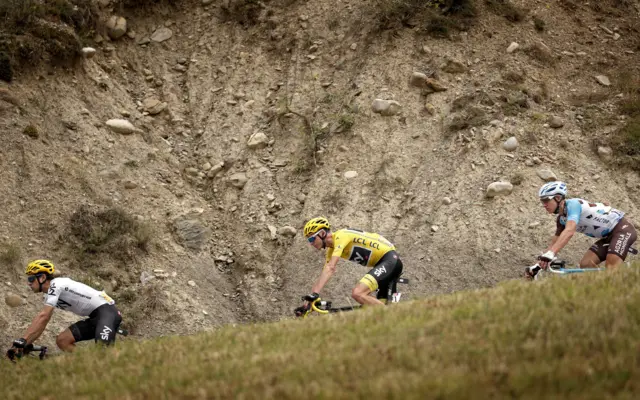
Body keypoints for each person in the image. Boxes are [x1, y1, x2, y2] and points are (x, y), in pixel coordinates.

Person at [527, 181, 637, 279]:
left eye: (546, 200)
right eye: (542, 201)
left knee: (611, 266)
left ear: (558, 198)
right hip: (608, 237)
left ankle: (620, 292)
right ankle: (601, 290)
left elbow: (570, 231)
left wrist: (551, 254)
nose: (544, 205)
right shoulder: (561, 219)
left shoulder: (573, 204)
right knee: (586, 264)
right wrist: (538, 266)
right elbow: (553, 245)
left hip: (622, 230)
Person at [295, 217, 404, 315]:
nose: (311, 243)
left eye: (311, 239)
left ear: (322, 233)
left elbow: (331, 268)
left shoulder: (341, 236)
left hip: (389, 260)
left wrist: (314, 294)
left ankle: (395, 316)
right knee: (378, 308)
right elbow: (325, 273)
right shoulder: (331, 250)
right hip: (383, 263)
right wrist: (309, 301)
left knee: (358, 293)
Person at [9, 260, 123, 353]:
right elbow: (43, 322)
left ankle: (130, 371)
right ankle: (89, 365)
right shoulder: (49, 295)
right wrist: (26, 344)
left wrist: (23, 339)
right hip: (95, 317)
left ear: (42, 278)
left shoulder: (56, 285)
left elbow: (43, 316)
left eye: (31, 279)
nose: (28, 283)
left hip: (107, 313)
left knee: (105, 355)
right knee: (63, 340)